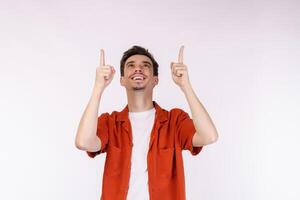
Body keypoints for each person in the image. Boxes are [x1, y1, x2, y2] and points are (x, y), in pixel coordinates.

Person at [75, 45, 218, 200]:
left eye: (145, 66)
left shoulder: (174, 121)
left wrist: (186, 86)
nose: (138, 69)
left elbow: (209, 136)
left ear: (155, 80)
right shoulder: (111, 122)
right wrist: (98, 87)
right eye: (131, 66)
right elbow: (83, 142)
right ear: (122, 80)